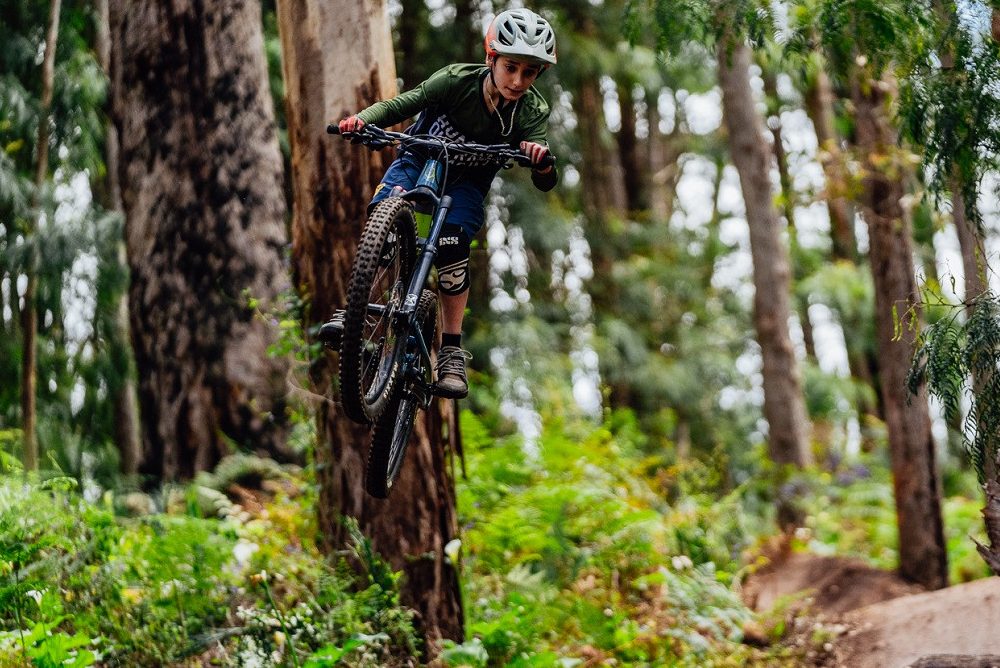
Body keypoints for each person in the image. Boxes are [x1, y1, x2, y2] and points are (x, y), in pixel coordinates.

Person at [322, 7, 559, 399]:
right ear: (491, 59)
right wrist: (363, 120)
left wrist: (540, 158)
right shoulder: (455, 81)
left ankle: (450, 351)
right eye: (510, 67)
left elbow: (545, 176)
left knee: (453, 246)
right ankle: (356, 311)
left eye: (529, 72)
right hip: (420, 157)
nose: (517, 80)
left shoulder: (532, 111)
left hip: (468, 182)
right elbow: (403, 104)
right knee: (384, 209)